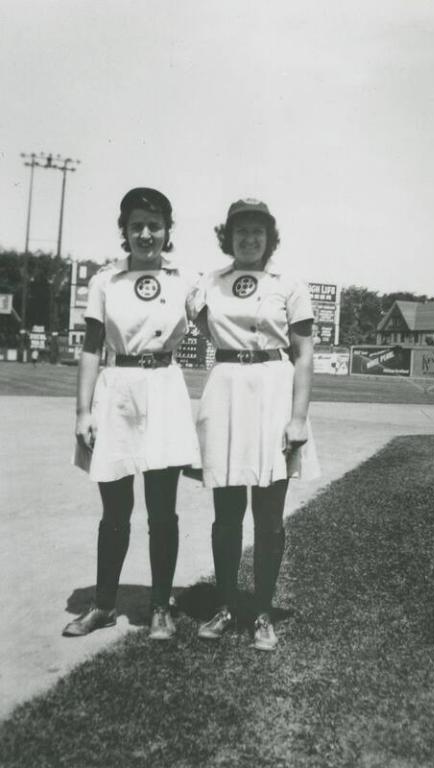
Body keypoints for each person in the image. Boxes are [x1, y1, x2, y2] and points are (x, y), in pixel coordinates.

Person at [63, 187, 199, 641]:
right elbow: (90, 349)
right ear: (124, 230)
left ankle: (160, 606)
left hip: (163, 387)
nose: (145, 234)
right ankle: (103, 604)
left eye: (154, 226)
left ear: (167, 231)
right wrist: (83, 411)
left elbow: (223, 327)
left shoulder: (185, 279)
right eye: (136, 225)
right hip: (117, 389)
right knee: (115, 510)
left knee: (163, 511)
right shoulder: (105, 281)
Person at [187, 198, 319, 651]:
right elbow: (206, 328)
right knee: (226, 514)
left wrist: (298, 418)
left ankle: (262, 611)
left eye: (257, 231)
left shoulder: (289, 284)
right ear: (228, 236)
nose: (248, 238)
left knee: (268, 516)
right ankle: (225, 605)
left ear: (270, 237)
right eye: (240, 230)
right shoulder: (209, 282)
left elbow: (303, 355)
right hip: (226, 389)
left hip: (274, 392)